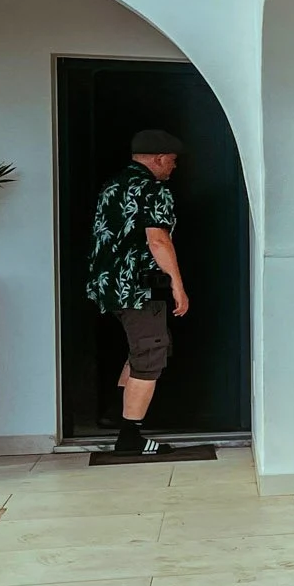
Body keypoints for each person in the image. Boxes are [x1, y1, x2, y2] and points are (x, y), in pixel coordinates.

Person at [85, 129, 190, 457]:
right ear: (158, 159)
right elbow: (157, 239)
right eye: (172, 162)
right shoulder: (154, 189)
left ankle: (117, 416)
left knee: (139, 350)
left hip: (108, 284)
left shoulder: (113, 185)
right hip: (138, 288)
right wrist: (178, 284)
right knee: (149, 354)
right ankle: (130, 436)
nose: (173, 168)